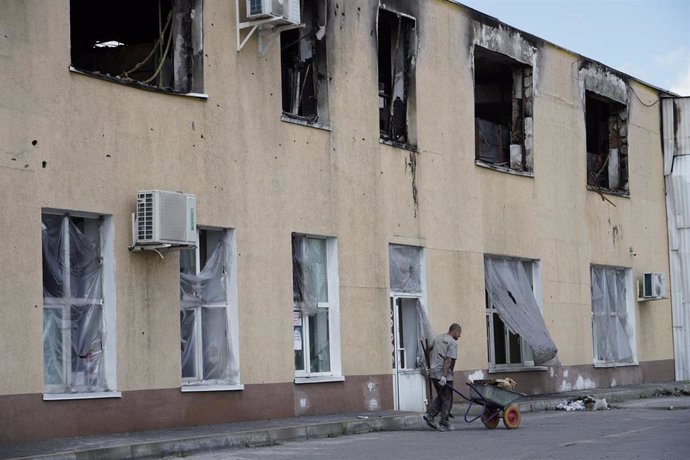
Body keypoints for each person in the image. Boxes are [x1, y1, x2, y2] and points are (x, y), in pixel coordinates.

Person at [423, 323, 462, 431]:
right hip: (444, 375)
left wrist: (429, 362)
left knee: (441, 396)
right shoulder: (452, 343)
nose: (459, 337)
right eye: (459, 334)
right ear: (456, 331)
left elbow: (428, 349)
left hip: (433, 373)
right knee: (447, 398)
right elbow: (448, 360)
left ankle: (430, 415)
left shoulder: (438, 338)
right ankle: (444, 421)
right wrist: (444, 376)